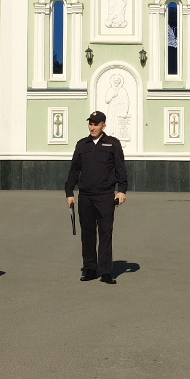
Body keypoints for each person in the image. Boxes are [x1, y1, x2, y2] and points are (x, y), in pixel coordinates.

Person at [66, 112, 128, 284]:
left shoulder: (112, 144)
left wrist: (122, 190)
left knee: (105, 233)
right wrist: (69, 192)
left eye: (96, 124)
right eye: (90, 124)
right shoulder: (82, 144)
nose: (92, 127)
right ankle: (90, 269)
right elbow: (74, 170)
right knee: (87, 234)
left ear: (103, 126)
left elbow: (120, 169)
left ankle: (106, 271)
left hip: (105, 196)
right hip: (85, 196)